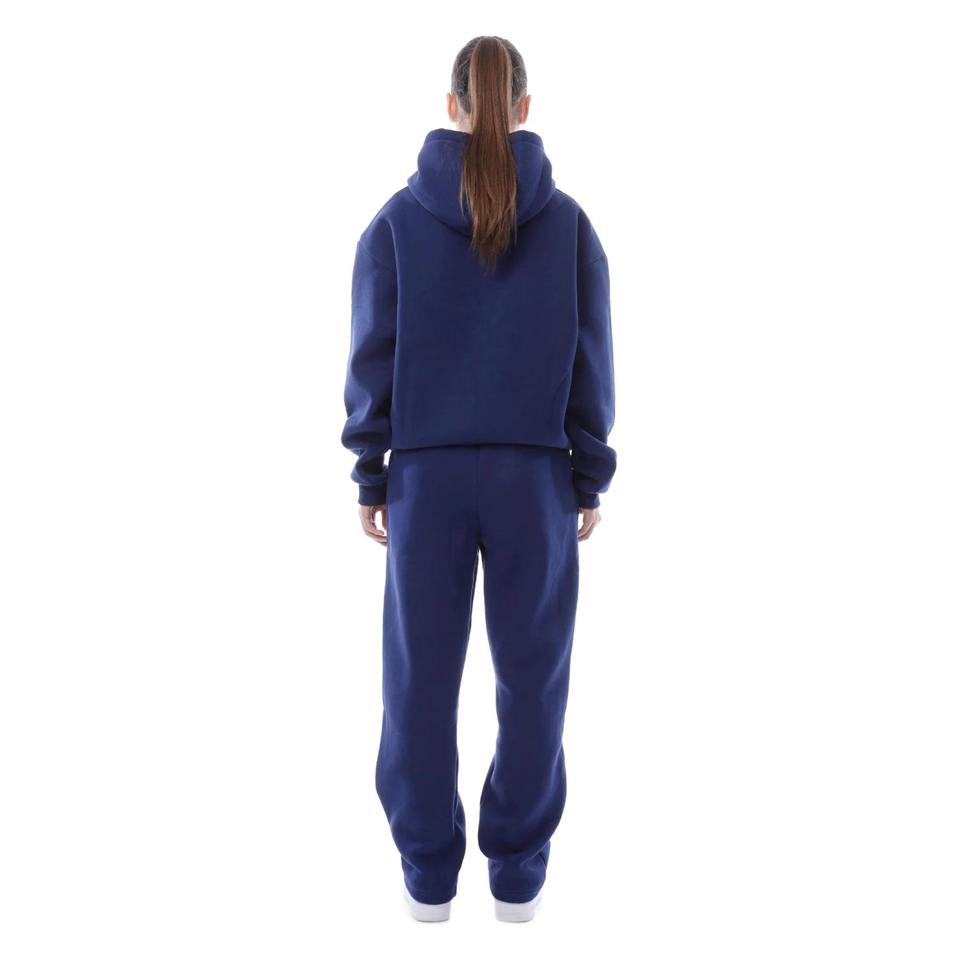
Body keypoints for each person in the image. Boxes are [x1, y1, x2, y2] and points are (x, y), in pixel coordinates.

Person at [341, 35, 617, 923]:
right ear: (522, 109)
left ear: (451, 106)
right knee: (533, 684)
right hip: (535, 481)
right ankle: (518, 883)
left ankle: (428, 880)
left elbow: (372, 354)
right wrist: (587, 473)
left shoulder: (396, 223)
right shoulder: (568, 225)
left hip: (426, 482)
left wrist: (371, 471)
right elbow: (591, 361)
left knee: (418, 683)